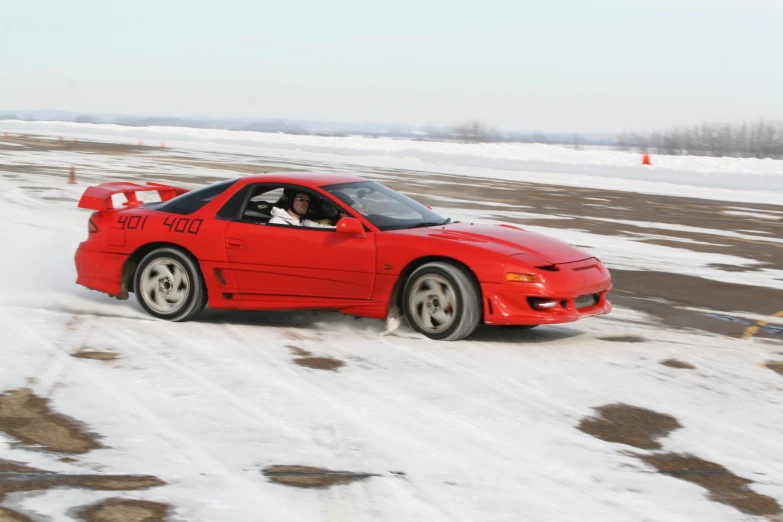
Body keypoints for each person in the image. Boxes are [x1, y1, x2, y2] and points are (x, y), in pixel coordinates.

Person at [268, 191, 342, 227]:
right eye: (301, 198)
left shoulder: (304, 222)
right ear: (290, 201)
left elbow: (328, 229)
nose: (305, 202)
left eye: (307, 200)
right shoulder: (277, 223)